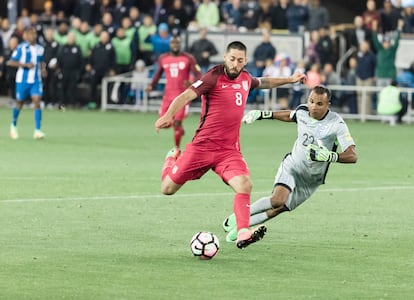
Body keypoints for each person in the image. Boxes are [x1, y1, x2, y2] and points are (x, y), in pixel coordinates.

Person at [155, 41, 306, 249]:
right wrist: (168, 115)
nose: (236, 64)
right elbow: (186, 95)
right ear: (225, 58)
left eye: (240, 60)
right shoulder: (213, 76)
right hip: (202, 148)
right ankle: (171, 159)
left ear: (245, 61)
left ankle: (243, 232)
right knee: (167, 189)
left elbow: (265, 82)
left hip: (228, 151)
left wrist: (290, 79)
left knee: (245, 184)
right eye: (232, 59)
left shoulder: (245, 78)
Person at [222, 85, 358, 243]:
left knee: (278, 209)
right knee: (278, 200)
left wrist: (330, 156)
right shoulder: (303, 111)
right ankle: (241, 217)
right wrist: (262, 114)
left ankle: (239, 229)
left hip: (312, 179)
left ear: (328, 105)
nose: (313, 107)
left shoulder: (337, 124)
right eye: (311, 101)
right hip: (293, 166)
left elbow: (352, 155)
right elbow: (289, 115)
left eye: (319, 104)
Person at [148, 36, 202, 150]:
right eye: (173, 43)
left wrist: (192, 83)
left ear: (180, 44)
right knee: (165, 124)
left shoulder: (188, 58)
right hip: (167, 96)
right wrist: (151, 86)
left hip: (183, 96)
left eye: (177, 43)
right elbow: (157, 74)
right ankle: (179, 130)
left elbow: (199, 75)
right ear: (170, 44)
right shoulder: (163, 58)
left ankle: (176, 149)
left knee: (177, 122)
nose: (175, 45)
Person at [8, 27, 46, 140]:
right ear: (26, 36)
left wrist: (43, 69)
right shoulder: (21, 48)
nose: (33, 36)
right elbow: (11, 62)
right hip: (22, 80)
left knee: (37, 101)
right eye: (30, 34)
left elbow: (41, 62)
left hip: (35, 80)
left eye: (34, 34)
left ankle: (37, 130)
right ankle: (13, 125)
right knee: (19, 103)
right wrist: (25, 65)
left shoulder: (40, 48)